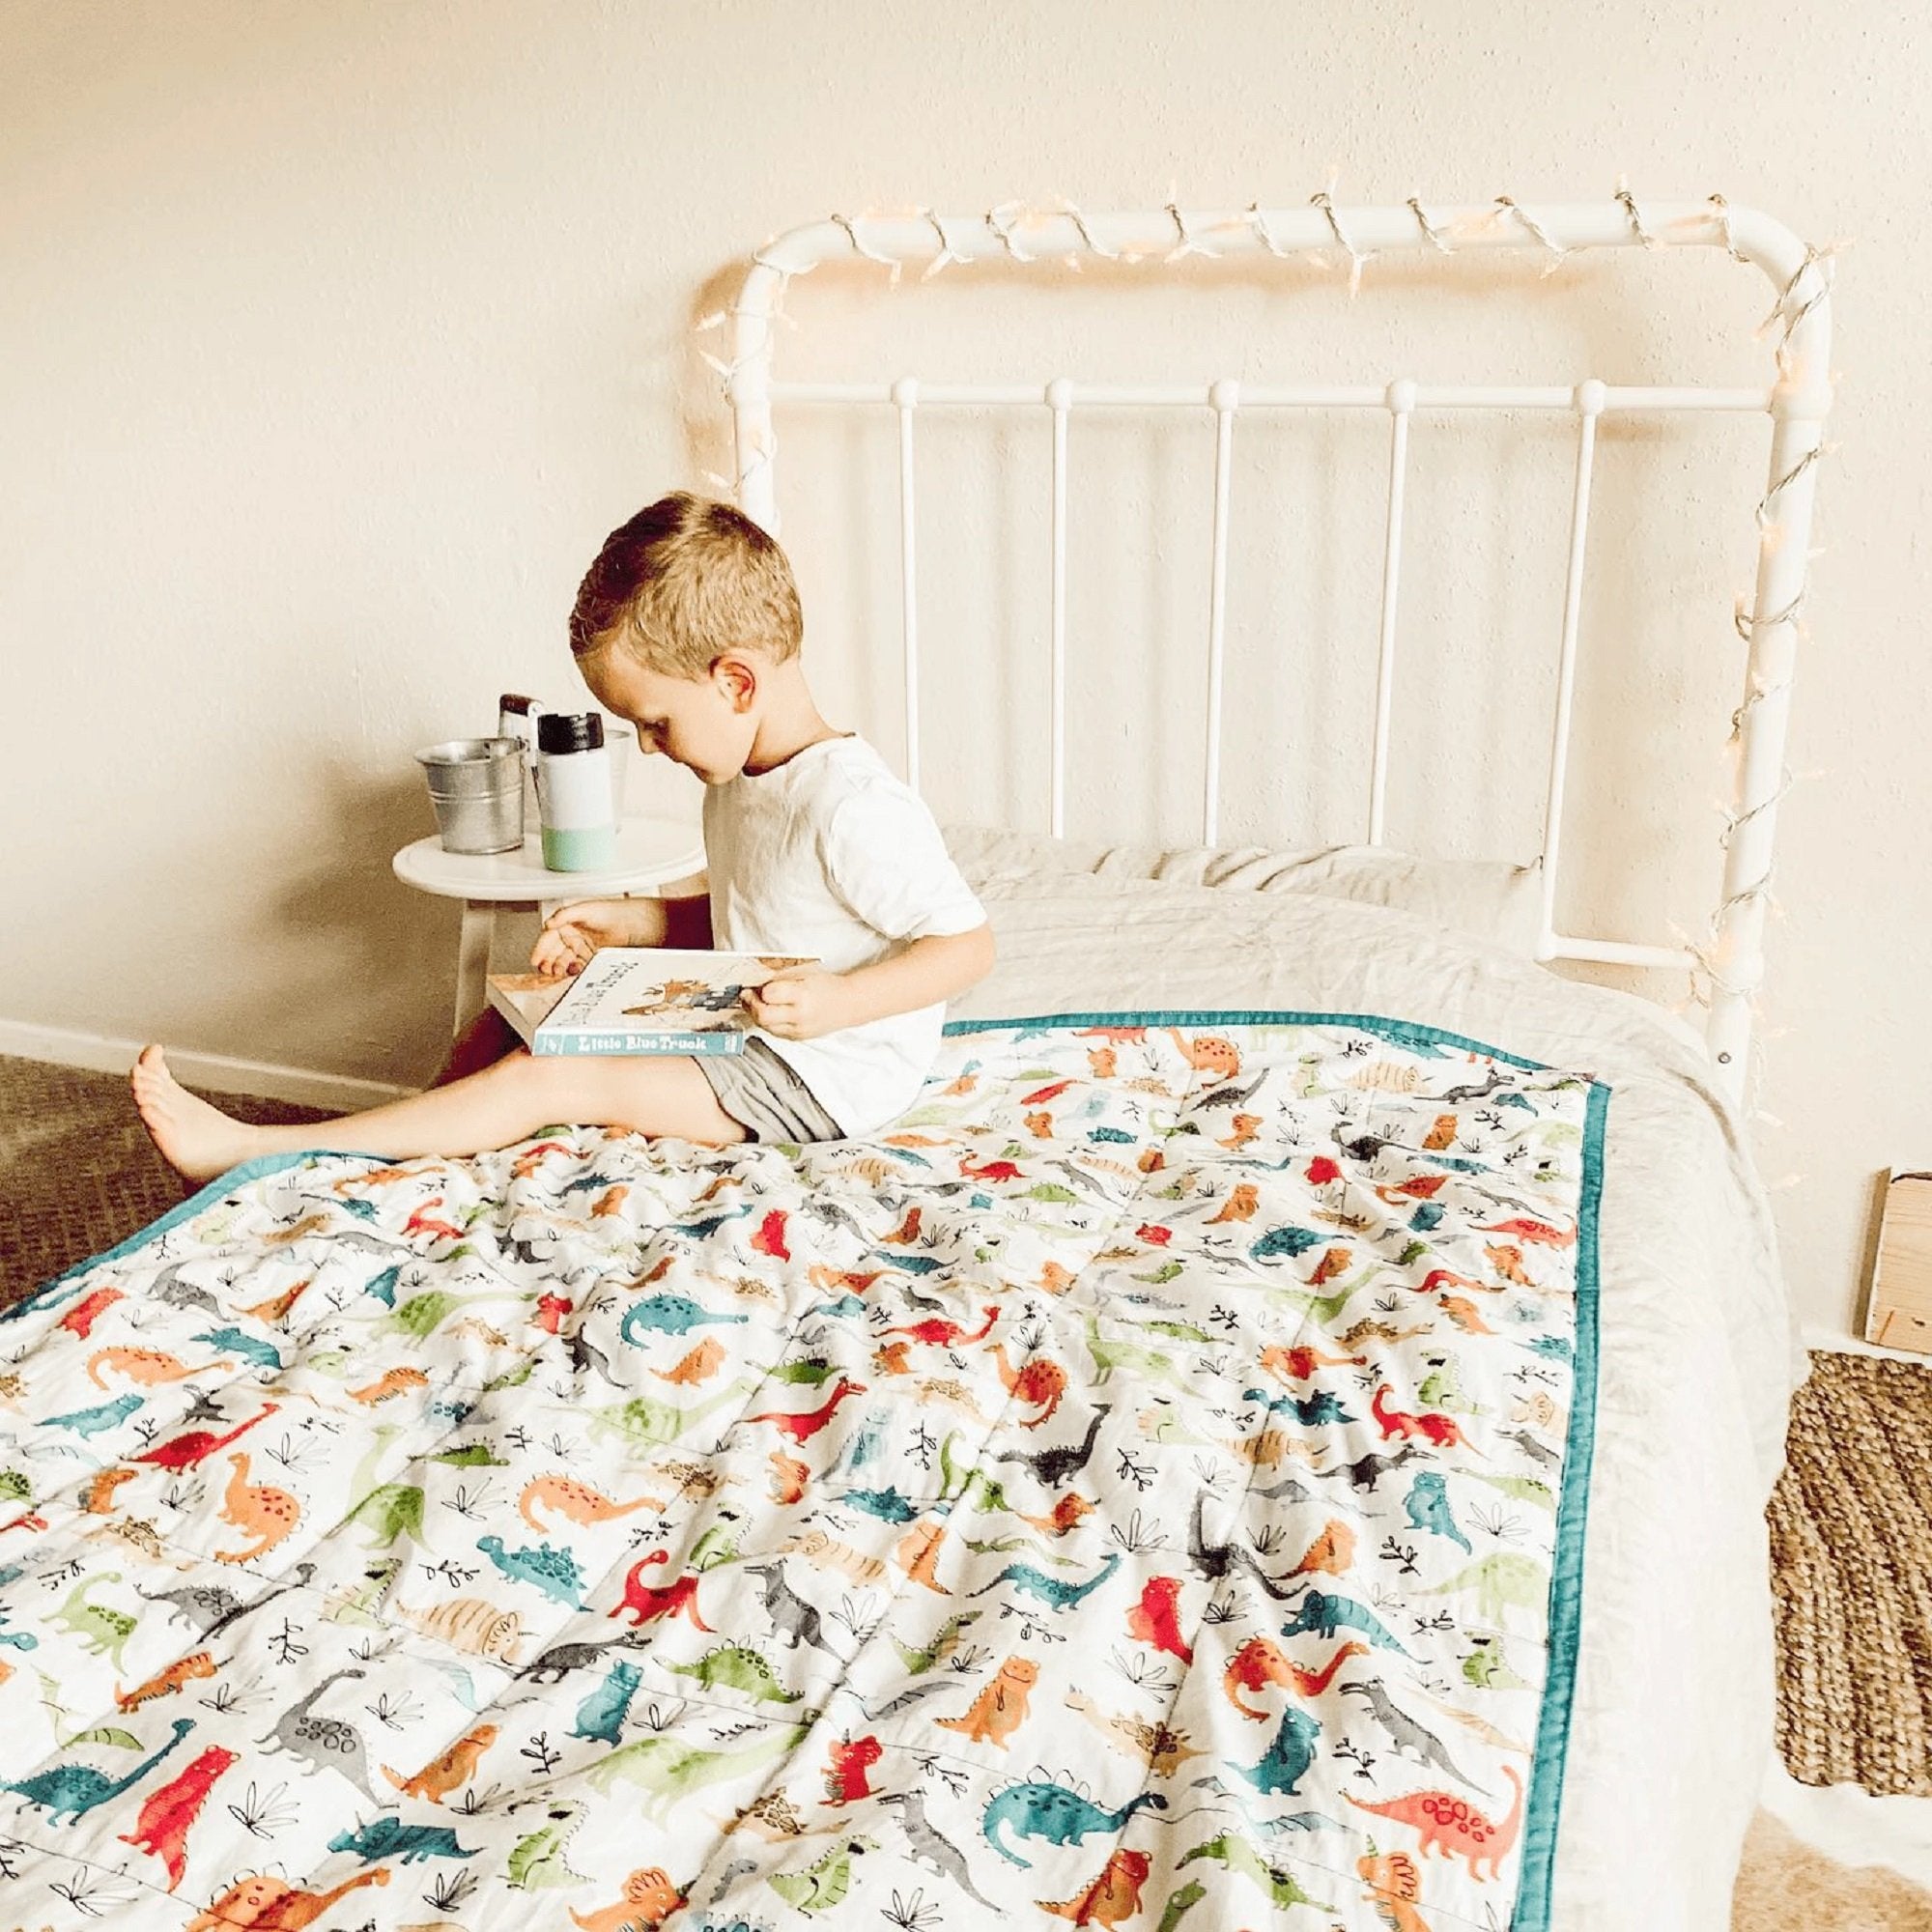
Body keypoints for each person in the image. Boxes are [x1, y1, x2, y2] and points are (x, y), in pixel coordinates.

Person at [131, 492, 995, 1182]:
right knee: (511, 1018)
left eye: (655, 723)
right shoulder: (739, 774)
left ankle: (260, 1153)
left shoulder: (851, 805)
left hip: (825, 1075)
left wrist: (842, 1004)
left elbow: (966, 947)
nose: (651, 748)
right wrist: (638, 920)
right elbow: (762, 926)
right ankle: (399, 1158)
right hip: (758, 1025)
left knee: (551, 1077)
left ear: (736, 682)